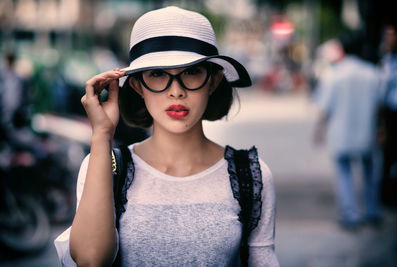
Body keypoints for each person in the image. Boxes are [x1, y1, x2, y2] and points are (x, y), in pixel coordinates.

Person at [54, 6, 279, 267]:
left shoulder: (251, 175)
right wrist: (102, 135)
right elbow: (91, 260)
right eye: (158, 74)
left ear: (214, 81)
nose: (176, 91)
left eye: (191, 72)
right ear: (137, 85)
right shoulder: (104, 166)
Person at [313, 34, 382, 230]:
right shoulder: (372, 73)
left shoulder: (334, 75)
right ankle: (372, 211)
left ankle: (350, 215)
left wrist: (319, 130)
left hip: (341, 134)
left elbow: (324, 107)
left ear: (341, 50)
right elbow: (380, 105)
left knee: (344, 173)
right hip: (367, 132)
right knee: (369, 172)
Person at [378, 24, 397, 207]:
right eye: (386, 36)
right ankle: (387, 196)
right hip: (392, 115)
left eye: (392, 35)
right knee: (388, 157)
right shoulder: (387, 61)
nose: (388, 40)